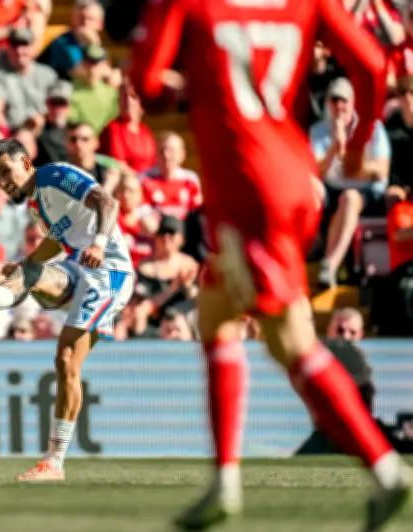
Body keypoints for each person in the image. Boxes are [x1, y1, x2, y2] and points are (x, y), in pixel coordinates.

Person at [131, 0, 411, 530]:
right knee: (215, 314)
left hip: (246, 184)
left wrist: (191, 86)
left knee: (291, 343)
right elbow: (374, 66)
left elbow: (145, 83)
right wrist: (353, 155)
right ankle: (225, 480)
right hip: (295, 173)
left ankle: (385, 469)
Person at [0, 138, 133, 481]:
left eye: (6, 172)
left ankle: (54, 463)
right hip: (77, 269)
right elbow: (58, 241)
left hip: (108, 271)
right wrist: (26, 264)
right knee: (30, 271)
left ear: (27, 163)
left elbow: (107, 201)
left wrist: (100, 244)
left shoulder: (56, 175)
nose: (3, 182)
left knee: (65, 360)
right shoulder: (34, 205)